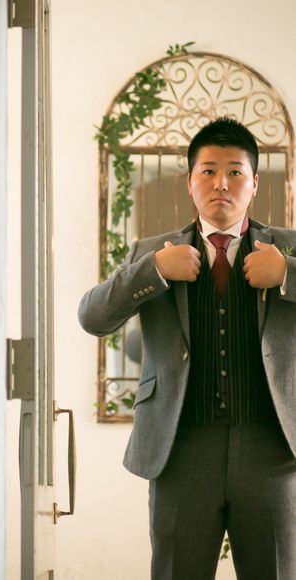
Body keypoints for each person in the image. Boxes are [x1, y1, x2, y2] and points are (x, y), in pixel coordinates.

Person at [78, 117, 296, 580]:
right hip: (180, 451)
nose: (222, 184)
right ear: (190, 182)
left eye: (235, 172)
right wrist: (154, 269)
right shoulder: (151, 251)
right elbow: (93, 318)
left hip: (272, 450)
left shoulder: (289, 250)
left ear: (255, 184)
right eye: (208, 171)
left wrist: (287, 275)